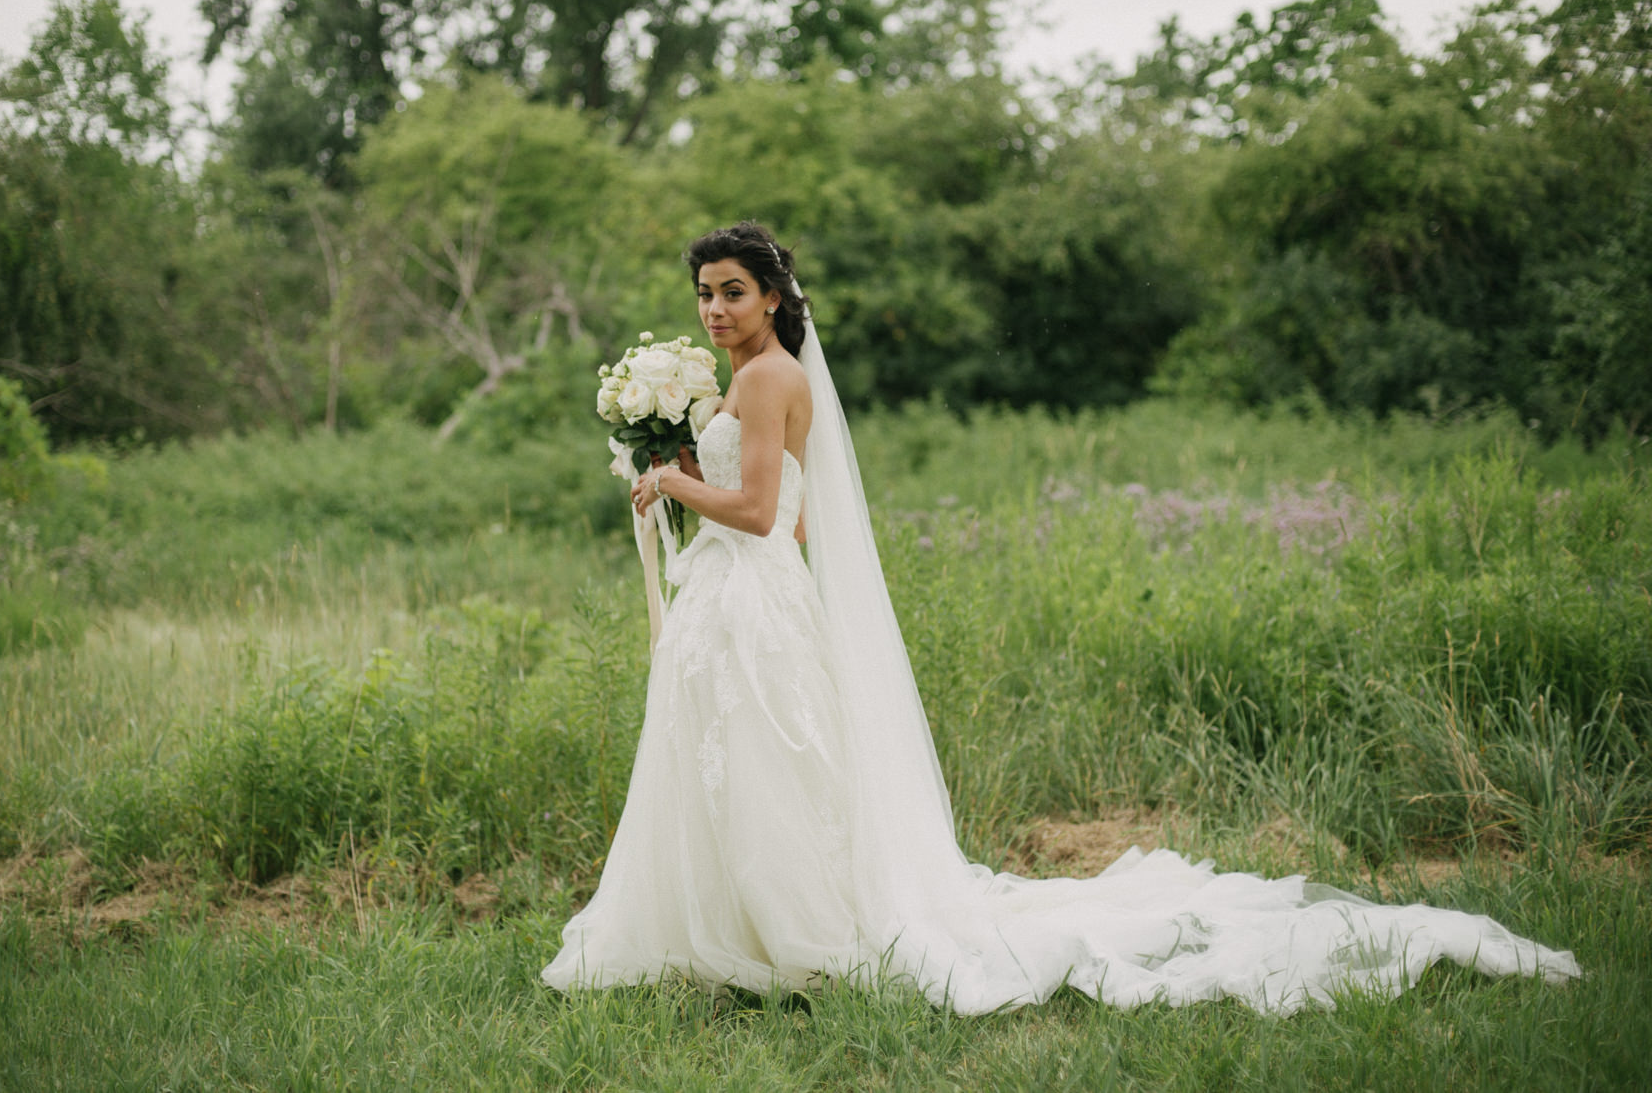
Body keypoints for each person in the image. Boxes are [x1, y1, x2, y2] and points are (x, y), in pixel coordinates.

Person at [541, 221, 1580, 1015]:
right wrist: (676, 457)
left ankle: (789, 942)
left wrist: (677, 491)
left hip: (750, 594)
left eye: (731, 292)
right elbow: (784, 513)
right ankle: (739, 937)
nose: (715, 309)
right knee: (736, 765)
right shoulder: (742, 379)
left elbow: (765, 512)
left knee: (762, 768)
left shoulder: (765, 379)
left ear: (772, 298)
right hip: (741, 600)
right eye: (703, 296)